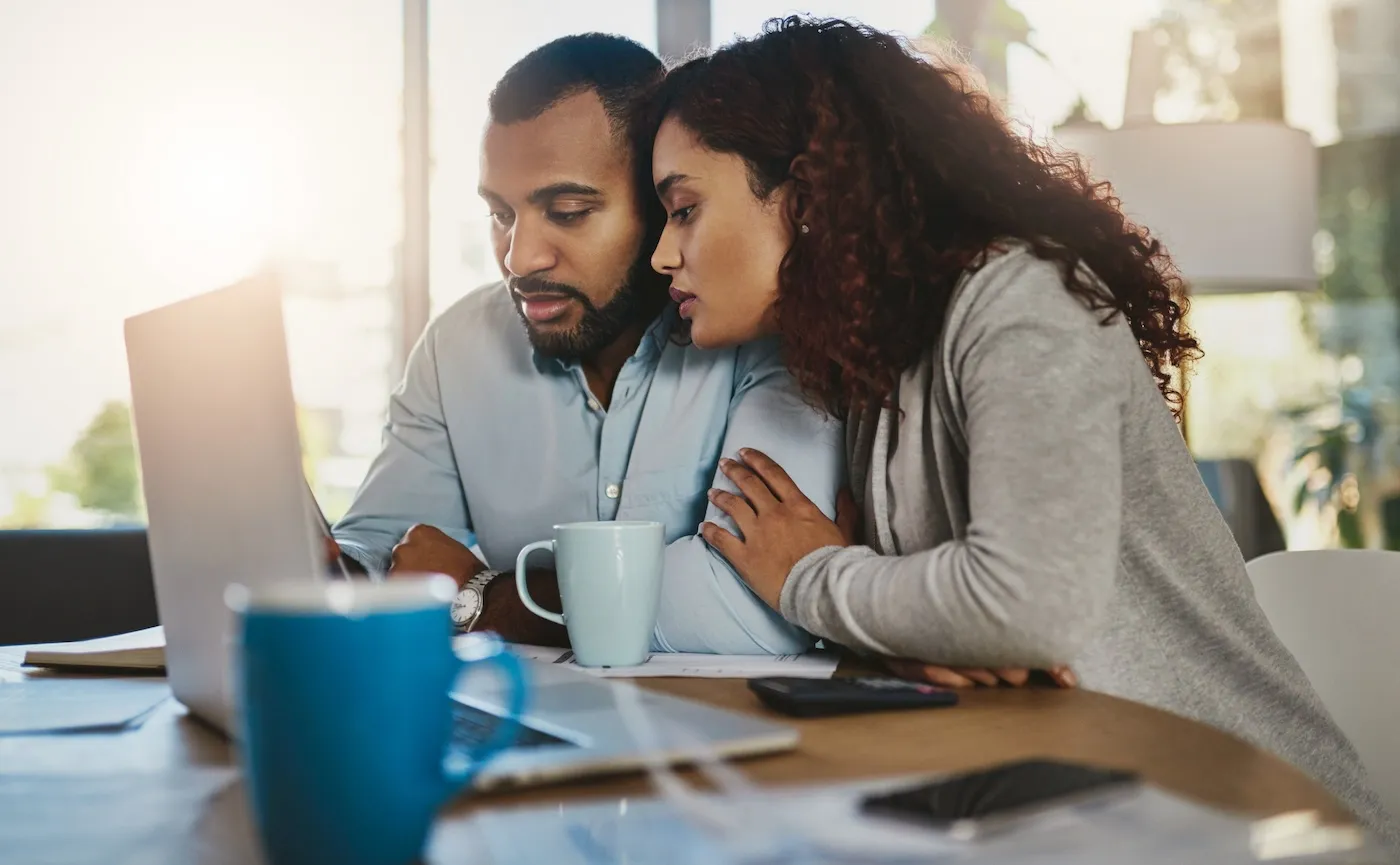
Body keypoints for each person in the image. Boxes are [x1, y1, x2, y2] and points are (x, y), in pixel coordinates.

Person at [646, 16, 1397, 841]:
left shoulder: (1019, 296)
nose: (662, 255)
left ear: (809, 195)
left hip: (1258, 823)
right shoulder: (871, 357)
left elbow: (1022, 609)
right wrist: (927, 629)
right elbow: (965, 631)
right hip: (1081, 811)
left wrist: (811, 575)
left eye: (684, 209)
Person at [328, 33, 848, 655]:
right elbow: (383, 551)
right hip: (522, 739)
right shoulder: (456, 349)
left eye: (568, 211)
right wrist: (337, 569)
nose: (520, 258)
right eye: (501, 214)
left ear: (663, 204)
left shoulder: (764, 333)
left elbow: (753, 614)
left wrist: (486, 597)